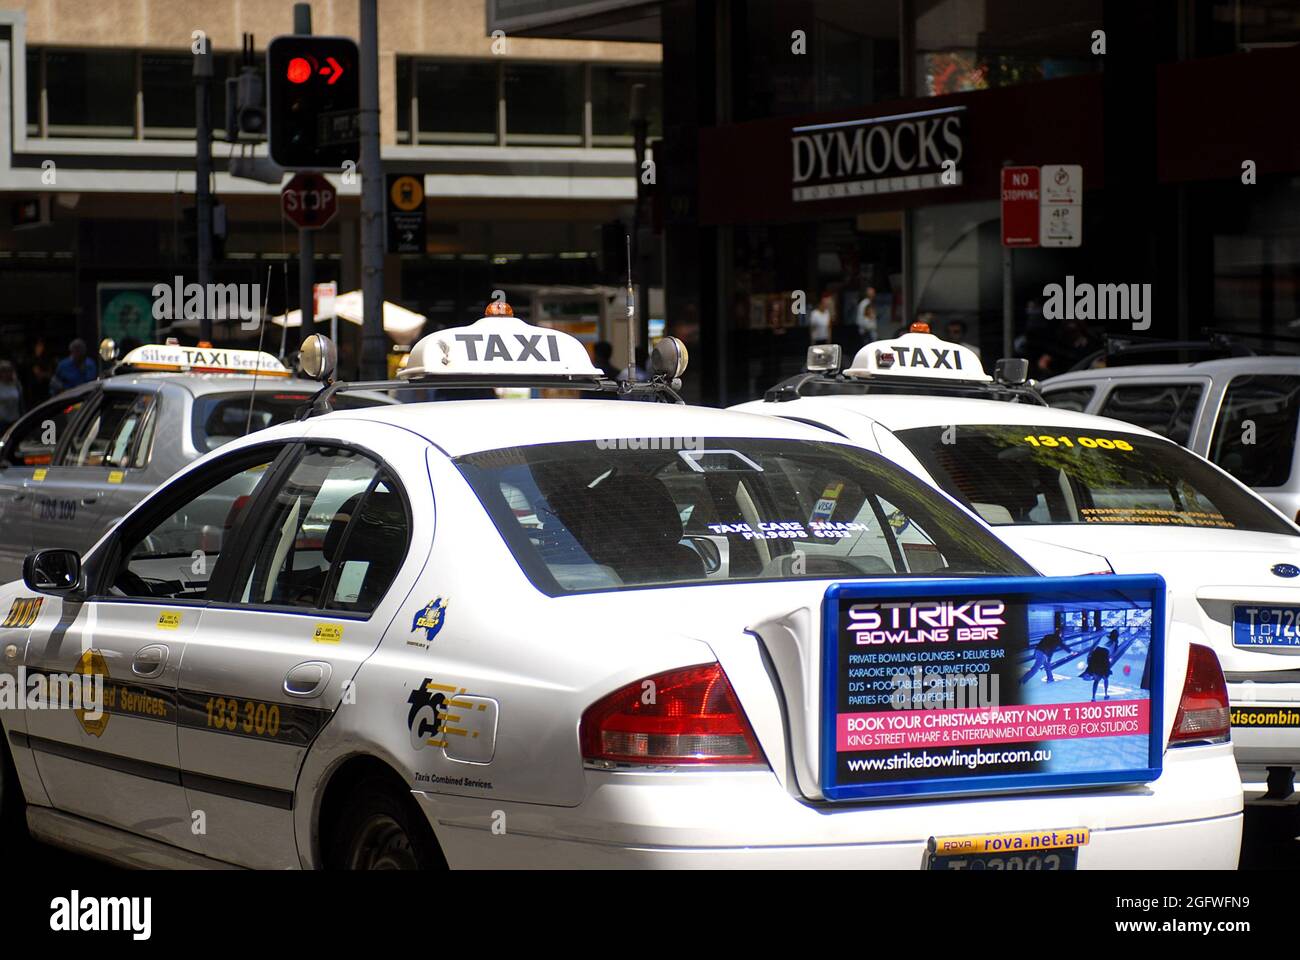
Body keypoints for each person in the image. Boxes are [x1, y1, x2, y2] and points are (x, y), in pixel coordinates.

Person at [1081, 630, 1120, 701]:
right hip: (1104, 658)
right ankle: (1106, 694)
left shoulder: (1104, 637)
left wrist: (1089, 655)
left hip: (1095, 655)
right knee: (1105, 677)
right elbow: (1112, 655)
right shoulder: (1115, 644)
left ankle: (1093, 697)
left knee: (1096, 680)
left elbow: (1094, 646)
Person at [0, 361, 22, 433]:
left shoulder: (16, 385)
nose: (7, 373)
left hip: (15, 421)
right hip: (2, 422)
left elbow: (21, 403)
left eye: (9, 370)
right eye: (4, 371)